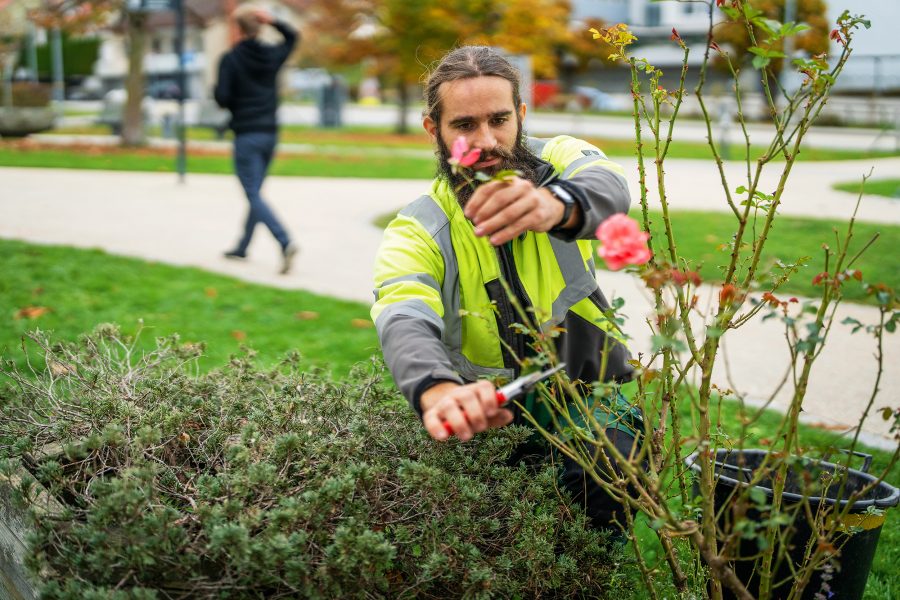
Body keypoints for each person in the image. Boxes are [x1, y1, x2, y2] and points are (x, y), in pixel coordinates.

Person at [371, 46, 642, 532]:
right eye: (464, 125)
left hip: (590, 387)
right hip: (491, 415)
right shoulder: (418, 228)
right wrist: (435, 390)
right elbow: (402, 314)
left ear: (520, 114)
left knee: (604, 480)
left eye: (499, 119)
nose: (487, 141)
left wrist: (557, 206)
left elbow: (610, 184)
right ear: (434, 130)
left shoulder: (559, 159)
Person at [214, 5, 298, 274]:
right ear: (260, 26)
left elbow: (222, 98)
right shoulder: (271, 55)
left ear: (237, 28)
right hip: (270, 133)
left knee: (252, 193)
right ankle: (242, 246)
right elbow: (293, 38)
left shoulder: (230, 59)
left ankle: (284, 241)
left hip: (246, 134)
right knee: (256, 194)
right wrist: (274, 20)